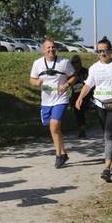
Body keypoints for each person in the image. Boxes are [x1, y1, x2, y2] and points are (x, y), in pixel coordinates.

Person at [76, 38, 112, 182]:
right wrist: (80, 98)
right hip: (100, 105)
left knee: (108, 135)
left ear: (111, 51)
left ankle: (106, 168)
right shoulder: (94, 68)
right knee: (108, 136)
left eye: (105, 51)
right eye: (99, 51)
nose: (102, 53)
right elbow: (88, 85)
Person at [30, 39, 76, 168]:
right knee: (53, 128)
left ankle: (58, 156)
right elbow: (32, 79)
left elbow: (74, 76)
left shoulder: (64, 62)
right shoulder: (37, 63)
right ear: (43, 50)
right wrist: (36, 82)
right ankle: (64, 153)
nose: (51, 50)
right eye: (48, 48)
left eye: (53, 47)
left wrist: (67, 84)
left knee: (54, 126)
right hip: (46, 101)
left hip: (61, 99)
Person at [69, 55, 90, 138]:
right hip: (75, 95)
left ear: (80, 62)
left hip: (85, 95)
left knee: (82, 111)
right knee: (77, 113)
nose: (75, 64)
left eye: (76, 62)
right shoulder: (71, 72)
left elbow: (89, 83)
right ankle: (81, 128)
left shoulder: (85, 71)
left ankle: (83, 128)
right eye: (73, 62)